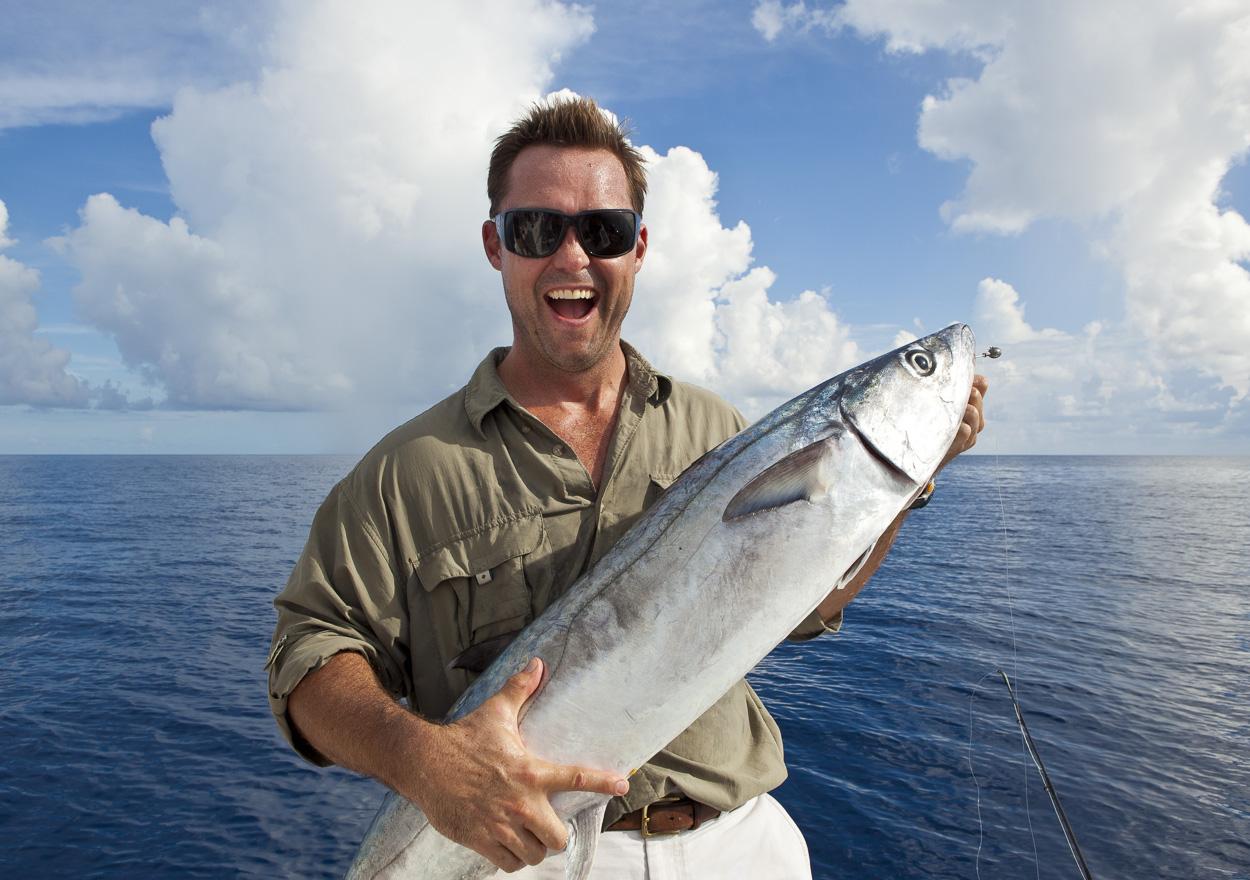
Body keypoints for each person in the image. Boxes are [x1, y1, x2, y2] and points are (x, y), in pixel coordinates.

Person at [266, 96, 988, 878]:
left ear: (638, 249)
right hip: (515, 858)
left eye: (602, 231)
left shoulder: (720, 431)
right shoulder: (405, 472)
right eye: (536, 230)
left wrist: (904, 486)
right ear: (494, 247)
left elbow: (812, 603)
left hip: (736, 843)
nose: (572, 256)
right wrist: (425, 762)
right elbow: (307, 654)